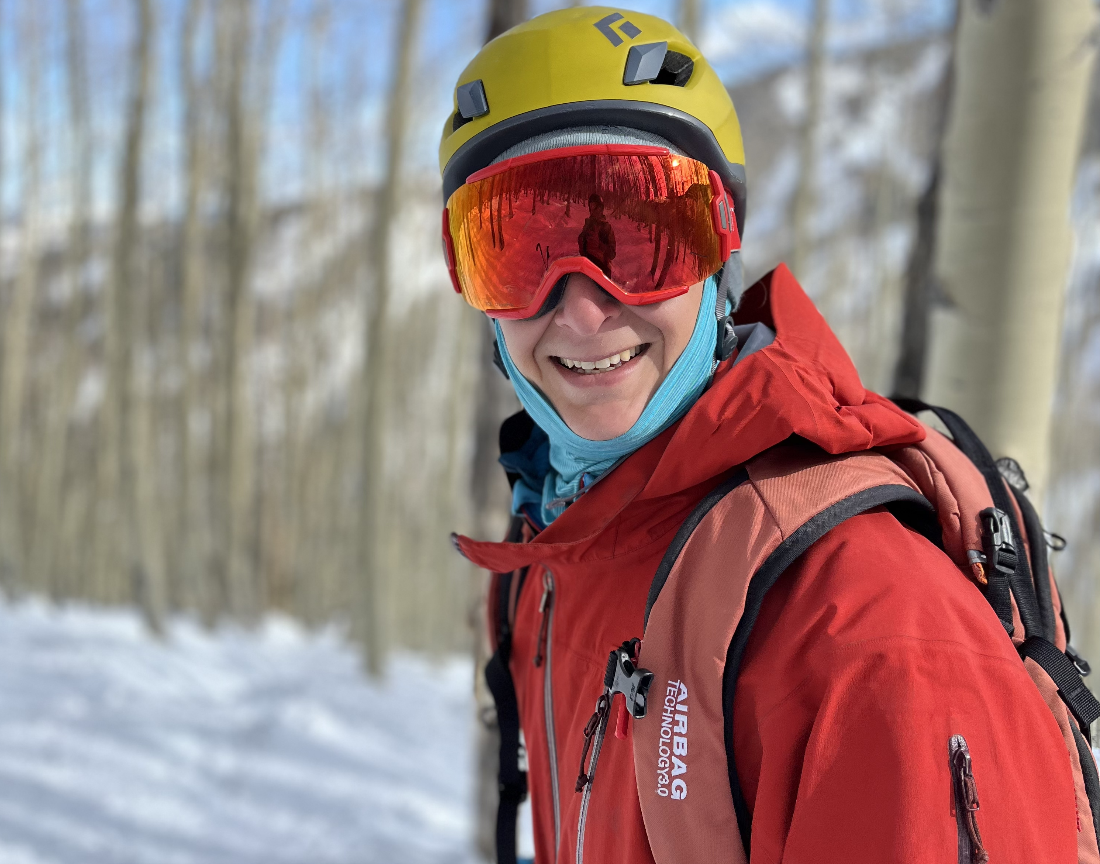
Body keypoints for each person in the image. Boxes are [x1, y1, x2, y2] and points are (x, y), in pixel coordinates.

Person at [439, 8, 1099, 864]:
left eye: (639, 240)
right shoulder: (565, 551)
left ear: (720, 257)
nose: (583, 307)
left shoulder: (866, 629)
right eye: (518, 249)